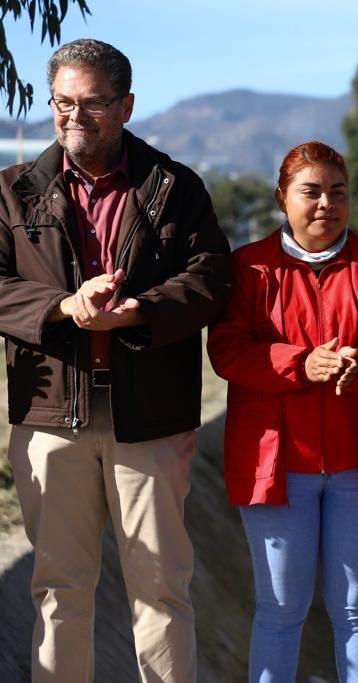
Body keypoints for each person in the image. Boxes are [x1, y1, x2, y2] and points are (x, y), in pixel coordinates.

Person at [0, 39, 230, 682]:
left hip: (151, 418)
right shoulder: (12, 192)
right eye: (63, 103)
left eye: (93, 103)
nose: (75, 116)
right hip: (48, 420)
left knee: (160, 592)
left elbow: (212, 279)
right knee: (58, 592)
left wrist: (139, 311)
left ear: (126, 105)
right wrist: (63, 305)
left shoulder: (176, 188)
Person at [207, 140, 358, 682]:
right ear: (282, 197)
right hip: (276, 466)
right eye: (311, 191)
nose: (326, 203)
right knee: (279, 611)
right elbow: (226, 350)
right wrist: (302, 364)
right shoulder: (248, 269)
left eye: (338, 192)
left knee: (356, 611)